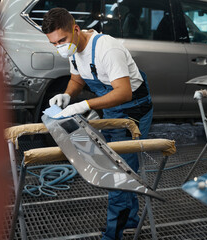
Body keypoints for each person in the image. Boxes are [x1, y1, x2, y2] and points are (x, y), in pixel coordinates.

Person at [42, 8, 153, 240]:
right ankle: (130, 220)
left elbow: (123, 93)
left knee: (118, 172)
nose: (59, 46)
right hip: (111, 107)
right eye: (54, 43)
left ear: (75, 29)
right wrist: (67, 96)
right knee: (118, 164)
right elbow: (77, 78)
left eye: (61, 40)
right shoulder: (74, 49)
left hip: (133, 108)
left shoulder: (106, 48)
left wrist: (84, 106)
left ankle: (115, 234)